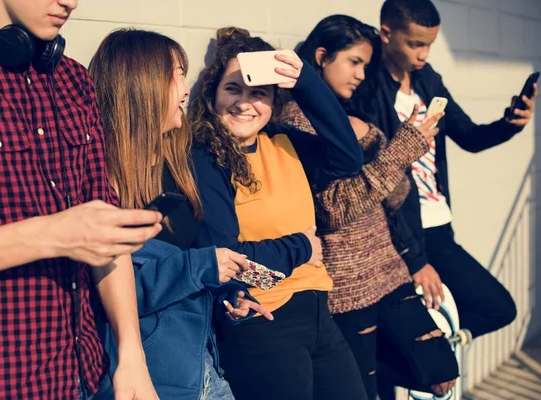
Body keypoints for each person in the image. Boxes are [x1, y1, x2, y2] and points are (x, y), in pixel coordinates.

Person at [0, 1, 163, 399]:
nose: (71, 2)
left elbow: (105, 231)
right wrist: (52, 236)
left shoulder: (74, 79)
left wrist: (132, 355)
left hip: (83, 375)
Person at [89, 28, 273, 400]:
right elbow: (109, 291)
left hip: (201, 368)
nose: (186, 91)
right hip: (145, 379)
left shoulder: (180, 161)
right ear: (144, 86)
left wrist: (230, 291)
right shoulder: (95, 178)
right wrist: (200, 268)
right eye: (177, 78)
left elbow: (194, 259)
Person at [281, 14, 458, 399]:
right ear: (322, 56)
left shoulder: (353, 116)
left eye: (366, 65)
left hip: (389, 270)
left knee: (441, 371)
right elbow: (333, 210)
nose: (361, 75)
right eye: (354, 62)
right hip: (348, 284)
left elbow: (394, 195)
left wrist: (395, 146)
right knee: (364, 388)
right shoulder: (296, 122)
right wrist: (396, 153)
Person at [189, 26, 368, 400]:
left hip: (319, 310)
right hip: (264, 319)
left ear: (274, 101)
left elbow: (348, 158)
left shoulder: (285, 142)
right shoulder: (205, 158)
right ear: (212, 93)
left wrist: (305, 81)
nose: (244, 104)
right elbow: (225, 258)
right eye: (232, 89)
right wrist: (301, 248)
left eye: (259, 93)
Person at [371, 0, 537, 340]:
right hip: (402, 232)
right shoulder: (369, 91)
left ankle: (445, 344)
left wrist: (510, 124)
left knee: (495, 307)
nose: (423, 54)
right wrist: (414, 259)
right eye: (415, 44)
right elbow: (377, 181)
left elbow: (470, 137)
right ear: (386, 33)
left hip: (439, 224)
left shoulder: (428, 80)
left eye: (429, 44)